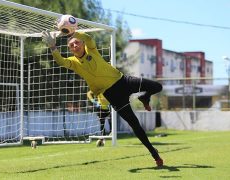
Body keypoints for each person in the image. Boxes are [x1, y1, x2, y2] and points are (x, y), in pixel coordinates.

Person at [42, 27, 164, 167]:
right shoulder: (73, 62)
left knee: (157, 87)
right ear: (70, 49)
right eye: (71, 45)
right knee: (135, 124)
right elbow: (61, 62)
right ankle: (154, 153)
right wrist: (53, 46)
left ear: (82, 44)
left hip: (123, 82)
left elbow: (89, 38)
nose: (75, 46)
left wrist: (72, 32)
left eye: (77, 43)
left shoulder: (91, 50)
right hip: (111, 94)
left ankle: (145, 98)